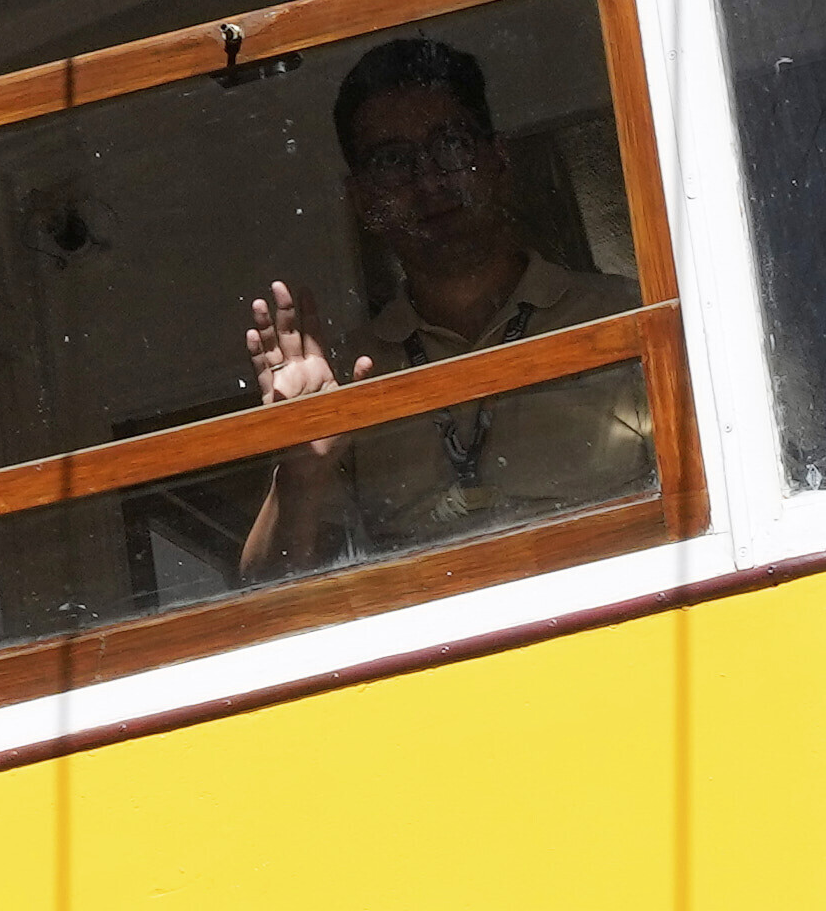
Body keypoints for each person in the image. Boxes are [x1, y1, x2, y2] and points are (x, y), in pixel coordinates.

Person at [220, 32, 635, 579]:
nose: (429, 179)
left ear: (497, 159)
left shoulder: (627, 320)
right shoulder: (344, 379)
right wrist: (299, 474)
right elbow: (267, 596)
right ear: (363, 200)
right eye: (393, 161)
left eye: (451, 144)